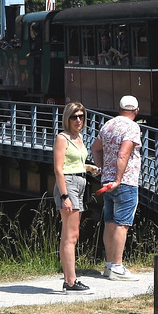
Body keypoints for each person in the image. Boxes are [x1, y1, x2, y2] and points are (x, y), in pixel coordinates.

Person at [90, 95, 142, 281]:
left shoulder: (108, 125)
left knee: (110, 222)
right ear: (136, 111)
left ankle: (109, 265)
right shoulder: (133, 127)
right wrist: (119, 179)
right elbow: (123, 154)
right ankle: (118, 267)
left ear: (119, 109)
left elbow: (95, 148)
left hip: (107, 182)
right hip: (125, 182)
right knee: (122, 224)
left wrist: (102, 170)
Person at [53, 102, 99, 294]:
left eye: (81, 116)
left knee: (72, 234)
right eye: (74, 116)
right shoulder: (62, 138)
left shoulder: (79, 138)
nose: (78, 120)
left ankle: (69, 279)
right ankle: (71, 280)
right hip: (69, 185)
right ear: (67, 118)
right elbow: (58, 168)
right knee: (70, 235)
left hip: (80, 182)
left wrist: (89, 168)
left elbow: (75, 162)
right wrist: (65, 196)